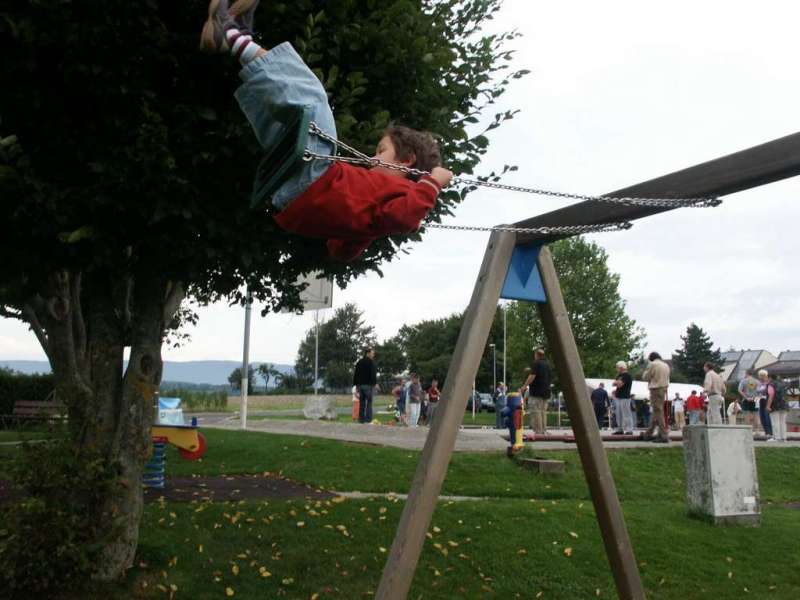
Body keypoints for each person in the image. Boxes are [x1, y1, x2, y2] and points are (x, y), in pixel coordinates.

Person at [200, 0, 454, 261]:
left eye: (382, 151)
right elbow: (339, 250)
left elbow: (405, 213)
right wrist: (366, 236)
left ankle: (233, 37)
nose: (373, 157)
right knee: (286, 124)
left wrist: (433, 182)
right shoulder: (377, 211)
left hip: (316, 181)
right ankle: (237, 41)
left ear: (407, 161)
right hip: (289, 204)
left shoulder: (408, 195)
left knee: (312, 98)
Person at [520, 348, 551, 436]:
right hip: (546, 392)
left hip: (536, 392)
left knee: (535, 411)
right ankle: (544, 430)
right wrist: (530, 369)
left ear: (537, 355)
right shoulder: (547, 365)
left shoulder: (536, 363)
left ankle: (538, 431)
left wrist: (524, 386)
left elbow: (532, 376)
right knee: (543, 412)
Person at [642, 352, 670, 443]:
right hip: (663, 388)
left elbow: (646, 377)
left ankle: (663, 435)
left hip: (655, 388)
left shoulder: (653, 364)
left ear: (651, 358)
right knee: (657, 411)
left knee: (658, 412)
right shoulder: (666, 365)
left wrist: (646, 373)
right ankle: (649, 433)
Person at [352, 347, 377, 424]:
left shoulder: (359, 362)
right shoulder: (371, 362)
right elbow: (372, 374)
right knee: (369, 403)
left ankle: (361, 419)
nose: (373, 355)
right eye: (372, 353)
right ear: (368, 353)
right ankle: (368, 420)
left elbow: (356, 374)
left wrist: (356, 386)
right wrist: (375, 383)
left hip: (360, 386)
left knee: (362, 403)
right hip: (368, 386)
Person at [612, 361, 635, 435]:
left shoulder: (627, 376)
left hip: (625, 397)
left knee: (626, 413)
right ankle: (620, 429)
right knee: (619, 414)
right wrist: (617, 382)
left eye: (617, 368)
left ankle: (629, 429)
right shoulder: (619, 375)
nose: (616, 369)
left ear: (621, 368)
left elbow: (619, 384)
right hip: (618, 396)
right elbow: (614, 383)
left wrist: (617, 382)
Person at [765, 373, 788, 442]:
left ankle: (776, 438)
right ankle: (783, 438)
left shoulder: (771, 384)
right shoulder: (783, 384)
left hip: (775, 405)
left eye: (767, 378)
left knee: (775, 422)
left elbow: (771, 396)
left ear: (770, 378)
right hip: (784, 405)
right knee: (783, 422)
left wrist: (768, 406)